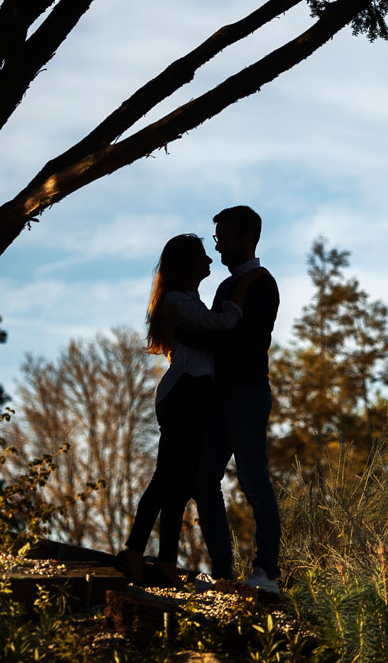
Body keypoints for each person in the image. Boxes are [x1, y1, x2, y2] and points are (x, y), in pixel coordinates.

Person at [114, 233, 266, 587]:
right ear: (186, 264)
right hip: (185, 394)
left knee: (181, 483)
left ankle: (167, 559)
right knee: (167, 476)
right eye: (202, 256)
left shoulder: (185, 300)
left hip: (194, 394)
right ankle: (134, 551)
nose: (210, 262)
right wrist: (244, 286)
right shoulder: (179, 301)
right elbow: (222, 324)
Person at [184, 206, 282, 593]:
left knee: (254, 480)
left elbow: (237, 338)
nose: (219, 247)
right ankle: (224, 572)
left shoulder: (262, 283)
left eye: (224, 239)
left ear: (247, 238)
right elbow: (219, 331)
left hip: (247, 393)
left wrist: (187, 332)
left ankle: (267, 571)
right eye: (217, 239)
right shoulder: (227, 287)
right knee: (204, 479)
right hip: (222, 394)